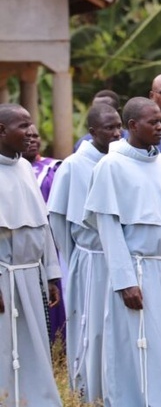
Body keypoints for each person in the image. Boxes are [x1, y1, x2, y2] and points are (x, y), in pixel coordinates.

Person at [83, 97, 161, 407]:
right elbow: (109, 229)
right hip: (137, 274)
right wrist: (125, 282)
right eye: (153, 122)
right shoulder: (111, 165)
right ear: (132, 126)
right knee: (140, 347)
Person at [47, 103, 122, 402]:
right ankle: (87, 389)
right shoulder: (74, 165)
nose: (117, 133)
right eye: (109, 128)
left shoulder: (121, 160)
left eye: (119, 127)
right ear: (92, 132)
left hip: (121, 259)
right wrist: (75, 254)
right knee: (91, 325)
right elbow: (57, 216)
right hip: (90, 258)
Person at [0, 103, 62, 407]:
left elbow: (42, 227)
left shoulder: (24, 167)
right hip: (4, 278)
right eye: (22, 126)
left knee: (34, 349)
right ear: (1, 131)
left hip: (31, 274)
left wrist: (50, 274)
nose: (30, 133)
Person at [22, 124, 66, 344]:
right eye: (26, 134)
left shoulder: (53, 168)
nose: (32, 139)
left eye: (35, 135)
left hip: (50, 242)